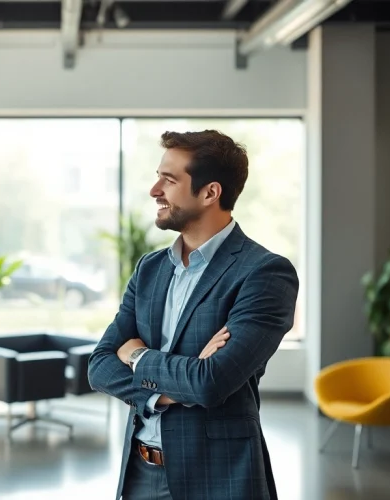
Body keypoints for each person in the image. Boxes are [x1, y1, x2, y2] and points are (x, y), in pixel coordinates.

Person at [87, 130, 299, 500]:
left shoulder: (264, 273)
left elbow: (210, 383)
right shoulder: (150, 268)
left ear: (210, 192)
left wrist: (137, 356)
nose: (155, 190)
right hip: (140, 473)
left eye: (169, 180)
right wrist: (174, 389)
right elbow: (100, 365)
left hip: (219, 477)